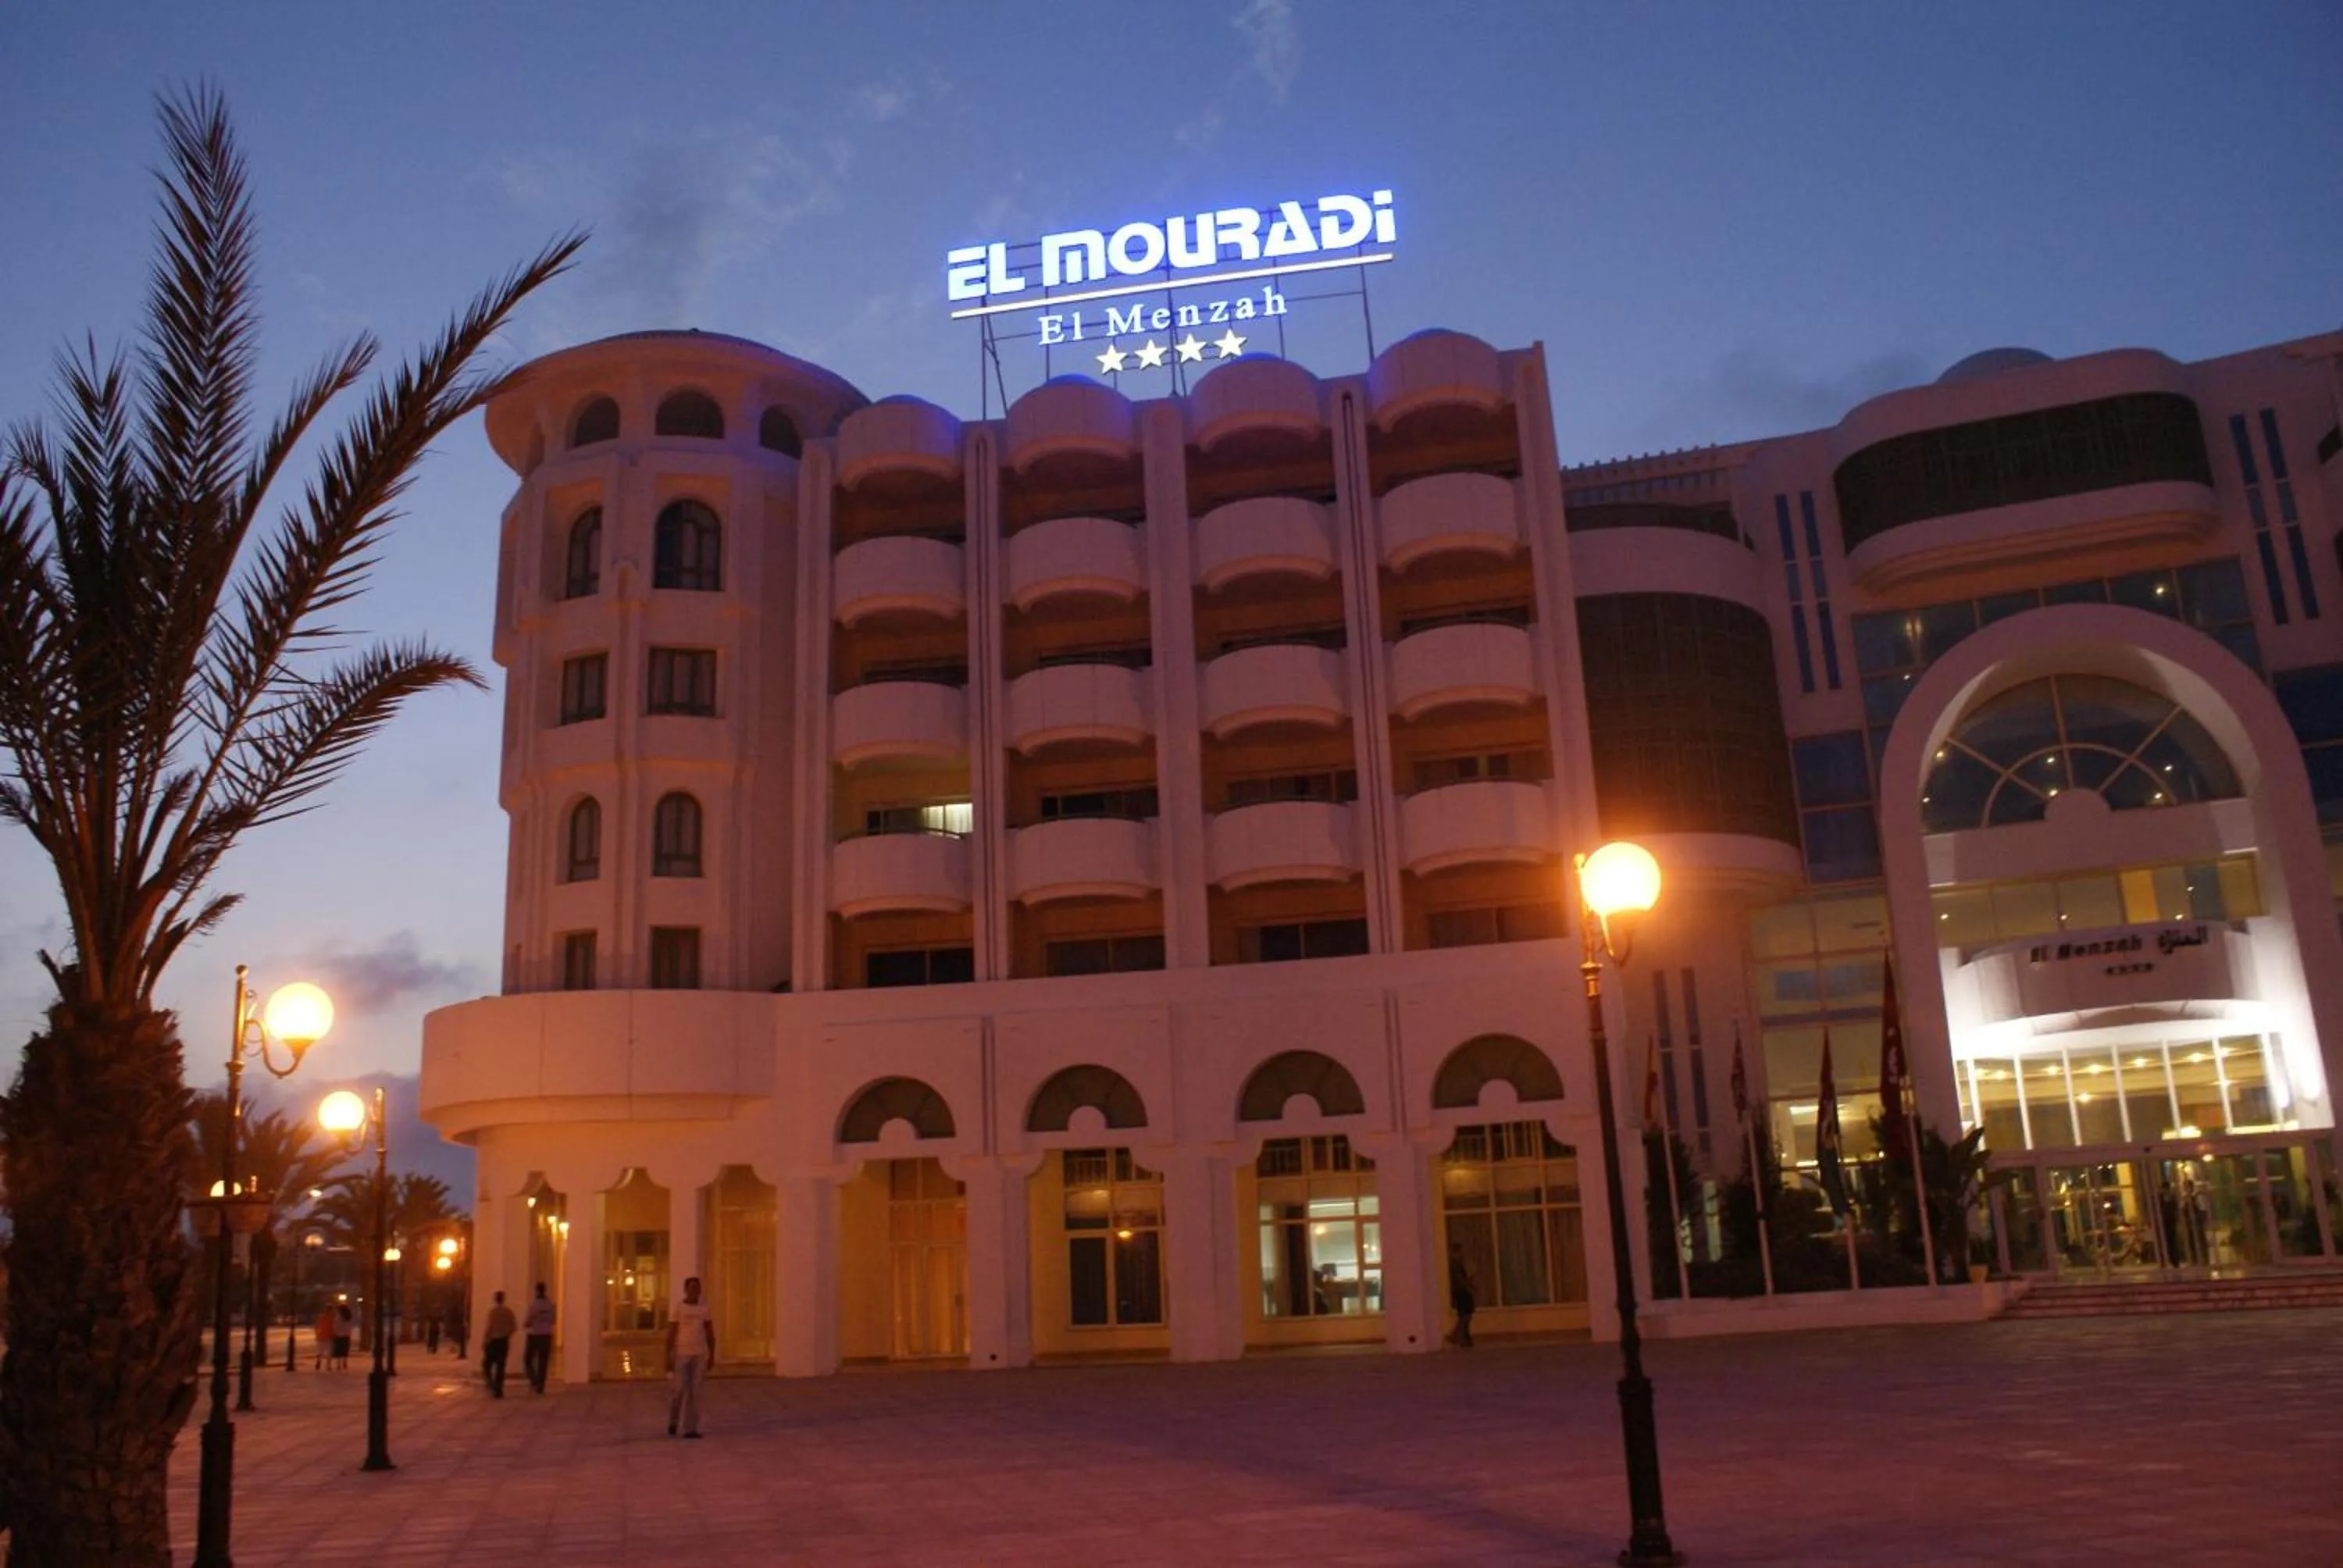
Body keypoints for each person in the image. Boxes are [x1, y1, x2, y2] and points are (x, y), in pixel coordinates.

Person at [665, 1276, 715, 1438]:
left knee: (696, 1392)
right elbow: (672, 1332)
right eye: (692, 1287)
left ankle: (690, 1428)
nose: (695, 1291)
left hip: (699, 1354)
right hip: (682, 1354)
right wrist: (668, 1355)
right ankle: (673, 1420)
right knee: (679, 1390)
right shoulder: (679, 1308)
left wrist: (711, 1354)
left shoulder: (704, 1309)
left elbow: (709, 1332)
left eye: (697, 1288)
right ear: (686, 1290)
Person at [481, 1290, 517, 1397]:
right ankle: (498, 1388)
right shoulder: (509, 1312)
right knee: (501, 1366)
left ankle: (491, 1383)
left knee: (487, 1364)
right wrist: (507, 1335)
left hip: (493, 1341)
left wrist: (485, 1341)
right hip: (504, 1341)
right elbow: (513, 1327)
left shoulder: (493, 1312)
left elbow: (490, 1328)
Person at [522, 1282, 556, 1393]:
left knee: (528, 1359)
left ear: (536, 1290)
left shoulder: (534, 1305)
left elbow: (529, 1320)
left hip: (535, 1335)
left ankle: (534, 1379)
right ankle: (541, 1384)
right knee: (543, 1361)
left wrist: (526, 1324)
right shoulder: (550, 1305)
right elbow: (553, 1320)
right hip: (546, 1335)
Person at [1446, 1242, 1476, 1349]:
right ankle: (1455, 1335)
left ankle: (1464, 1338)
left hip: (1462, 1292)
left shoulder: (1458, 1264)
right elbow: (1460, 1281)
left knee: (1465, 1315)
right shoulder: (1455, 1265)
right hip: (1462, 1293)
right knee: (1466, 1315)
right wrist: (1468, 1287)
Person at [312, 1304, 336, 1370]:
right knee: (329, 1352)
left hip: (321, 1336)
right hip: (329, 1337)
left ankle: (318, 1361)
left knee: (320, 1351)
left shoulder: (321, 1317)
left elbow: (316, 1327)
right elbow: (334, 1328)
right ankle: (328, 1366)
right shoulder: (332, 1318)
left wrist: (317, 1334)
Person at [331, 1303, 355, 1369]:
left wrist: (335, 1332)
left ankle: (339, 1364)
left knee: (339, 1350)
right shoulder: (349, 1317)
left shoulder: (338, 1317)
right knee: (345, 1349)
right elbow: (350, 1326)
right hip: (346, 1335)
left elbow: (336, 1325)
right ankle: (345, 1362)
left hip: (339, 1335)